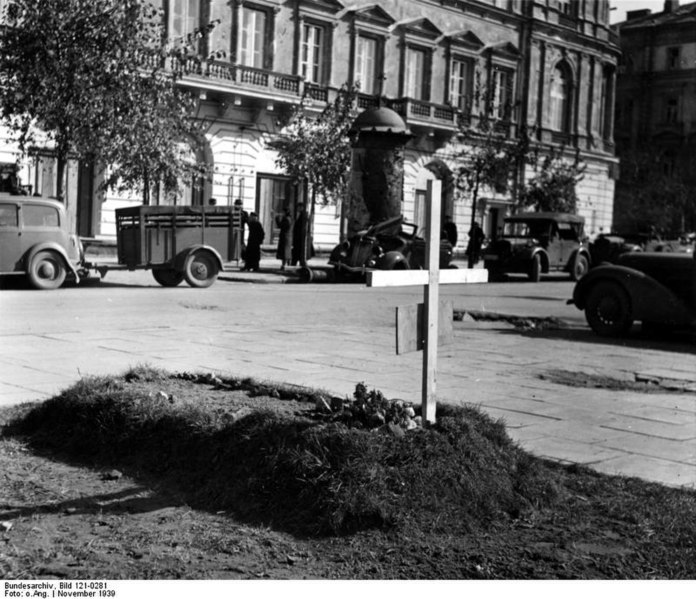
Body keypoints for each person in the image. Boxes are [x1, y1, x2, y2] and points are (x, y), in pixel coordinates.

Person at [291, 203, 308, 267]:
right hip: (298, 237)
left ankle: (295, 263)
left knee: (297, 251)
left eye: (298, 207)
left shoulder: (303, 215)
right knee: (297, 251)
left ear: (301, 207)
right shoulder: (301, 215)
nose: (297, 209)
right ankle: (295, 262)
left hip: (299, 238)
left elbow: (300, 226)